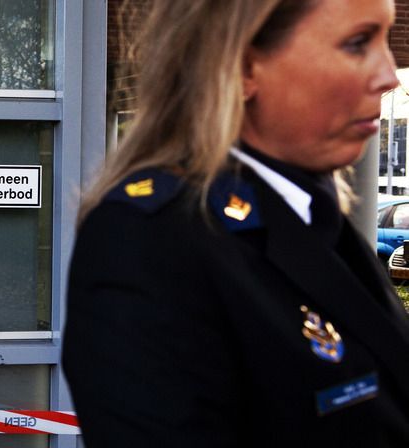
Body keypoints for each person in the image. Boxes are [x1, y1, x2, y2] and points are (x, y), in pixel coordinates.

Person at [61, 0, 409, 446]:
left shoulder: (309, 215)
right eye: (357, 43)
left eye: (385, 38)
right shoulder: (150, 243)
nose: (388, 76)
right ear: (243, 66)